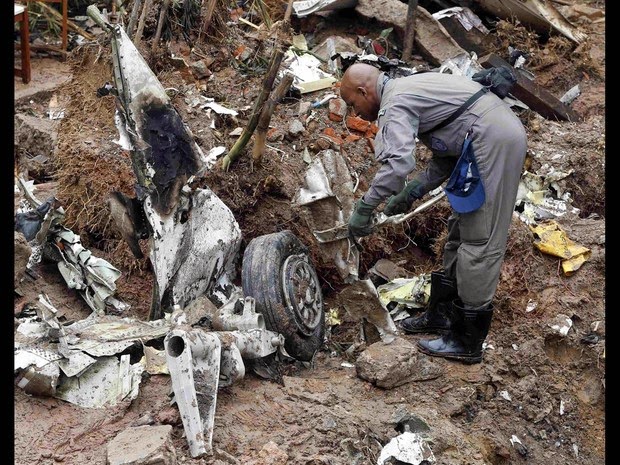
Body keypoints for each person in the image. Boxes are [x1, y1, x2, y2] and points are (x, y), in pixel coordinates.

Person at [339, 62, 527, 364]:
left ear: (364, 91)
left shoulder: (395, 102)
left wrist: (366, 206)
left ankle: (467, 340)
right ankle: (441, 315)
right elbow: (445, 157)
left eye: (353, 104)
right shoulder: (409, 89)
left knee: (480, 241)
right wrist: (411, 191)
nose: (355, 113)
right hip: (479, 141)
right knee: (459, 234)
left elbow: (398, 164)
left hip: (495, 141)